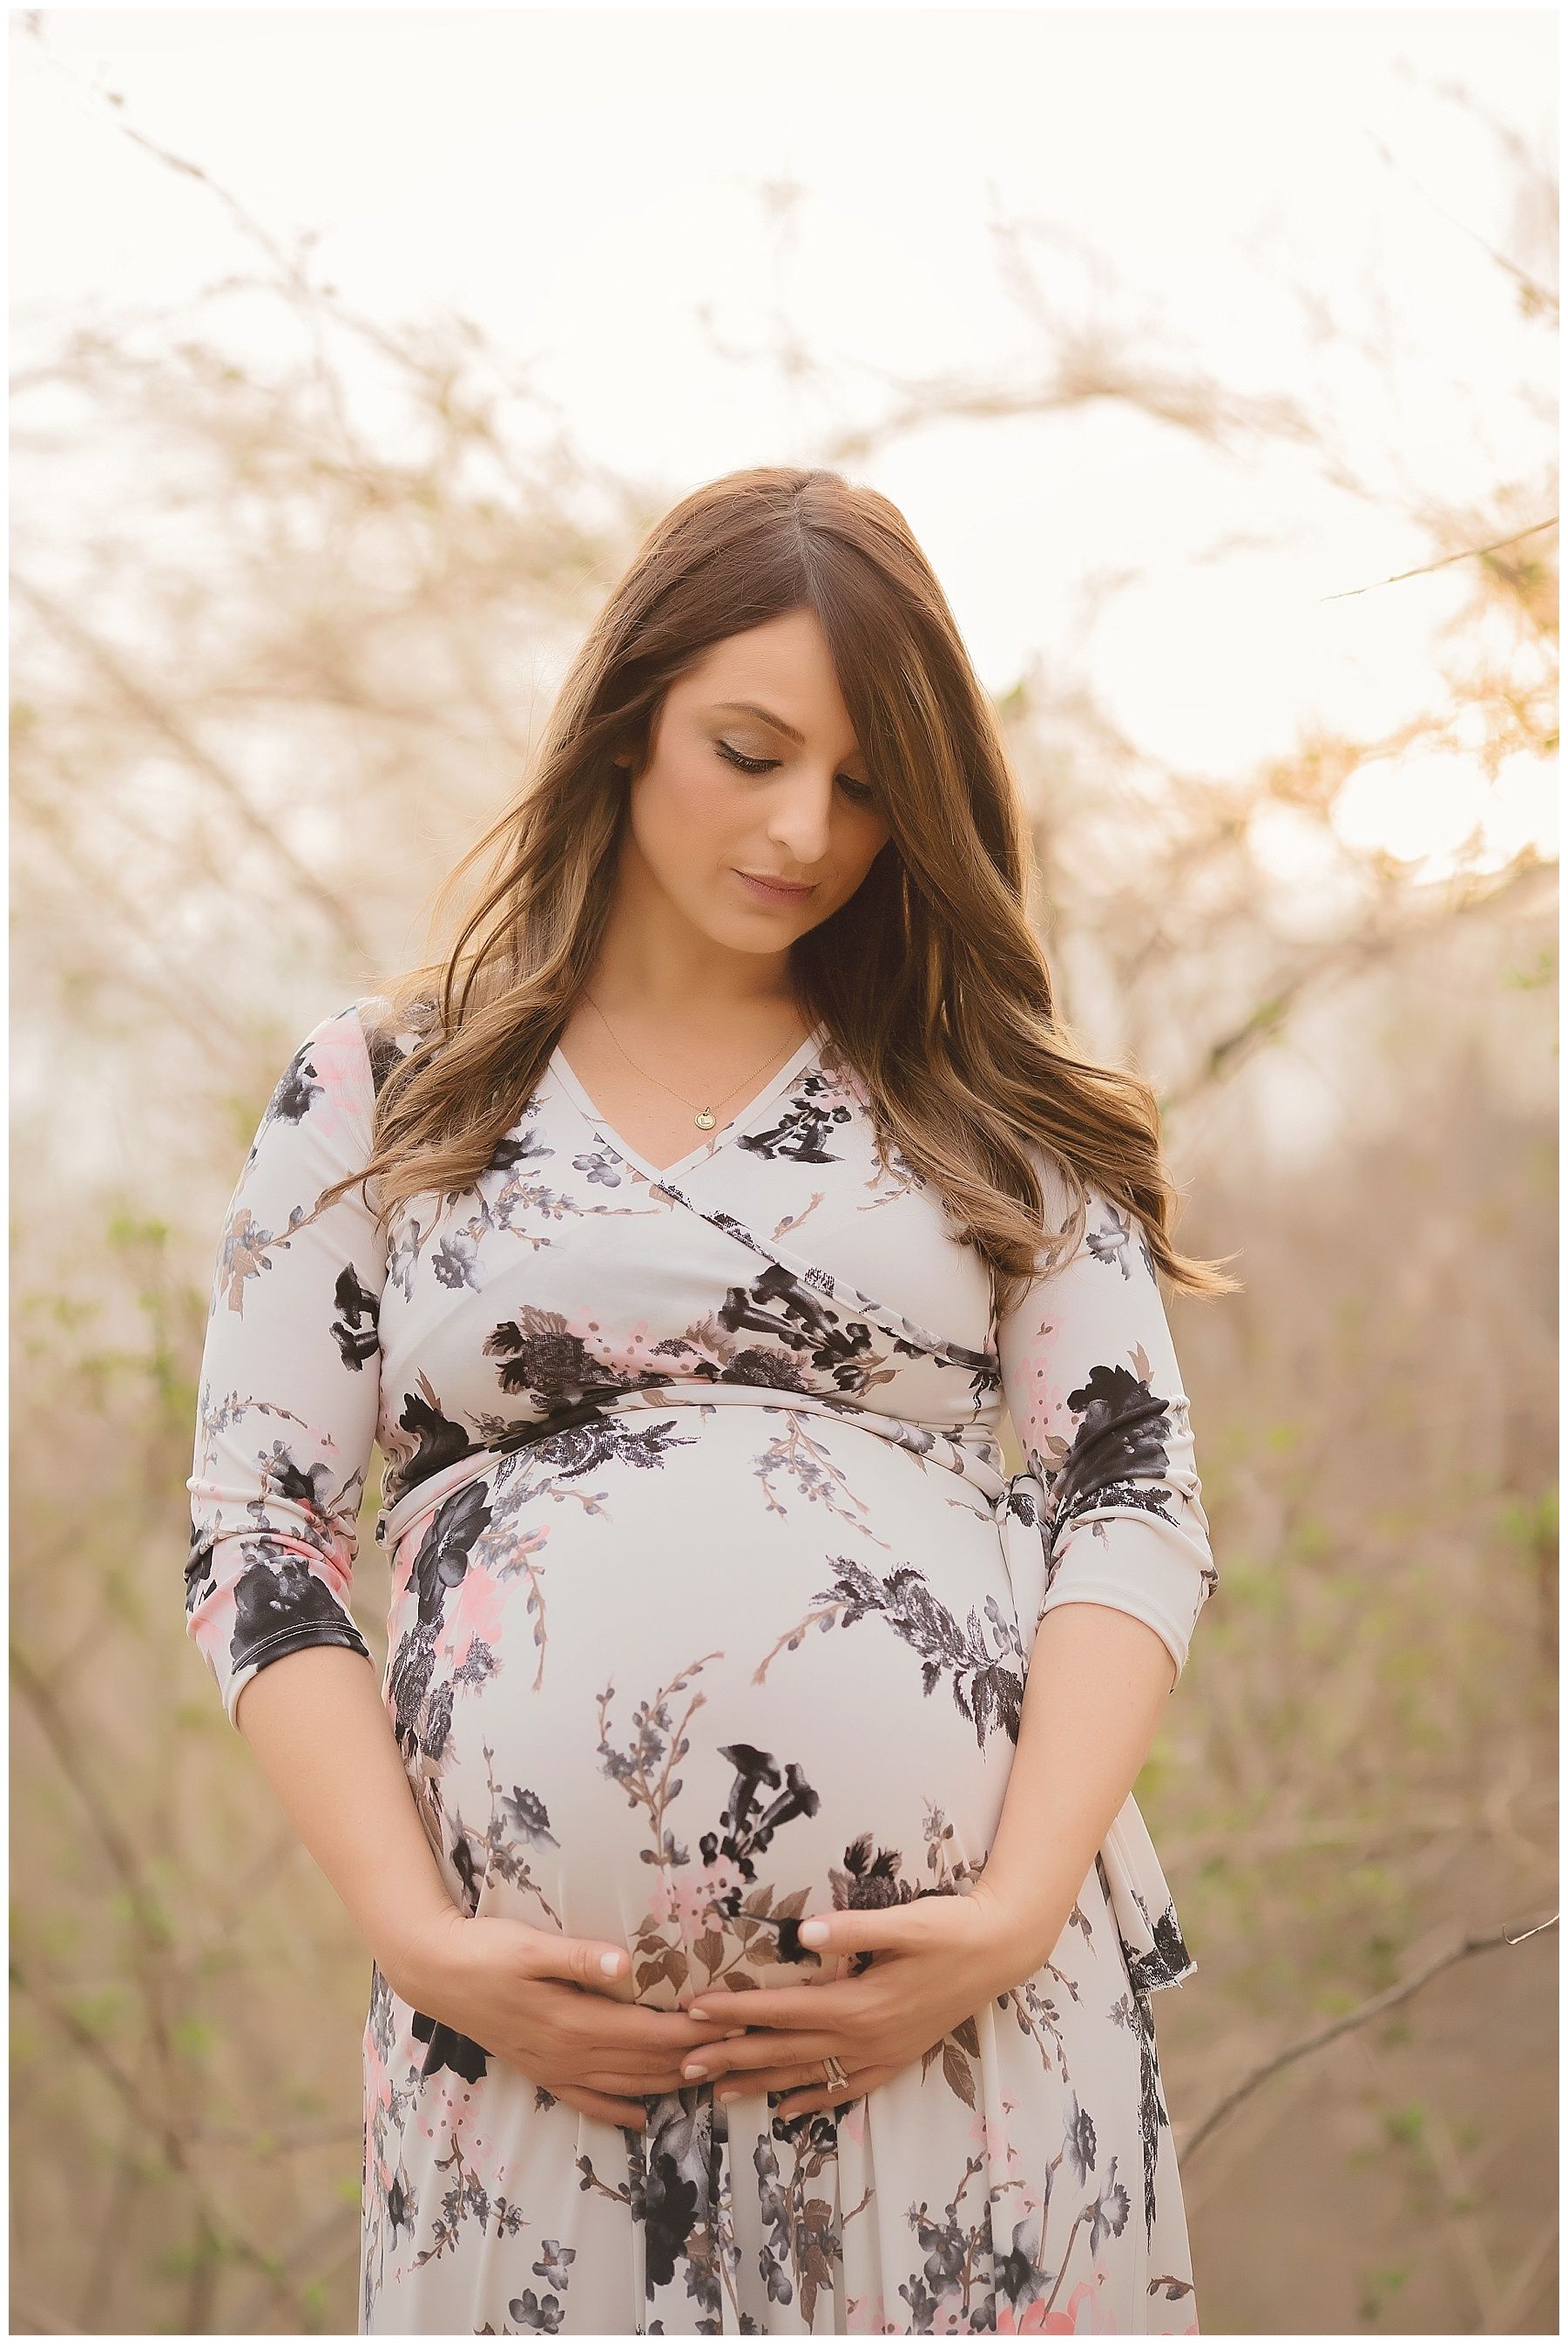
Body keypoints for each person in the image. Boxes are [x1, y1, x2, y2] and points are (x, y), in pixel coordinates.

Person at [183, 464, 1230, 2335]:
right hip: (537, 2068)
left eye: (863, 784)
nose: (804, 828)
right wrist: (422, 1941)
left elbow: (1131, 1500)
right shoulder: (387, 1090)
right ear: (627, 716)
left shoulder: (982, 1094)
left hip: (962, 2055)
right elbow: (257, 1529)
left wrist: (999, 1919)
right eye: (749, 751)